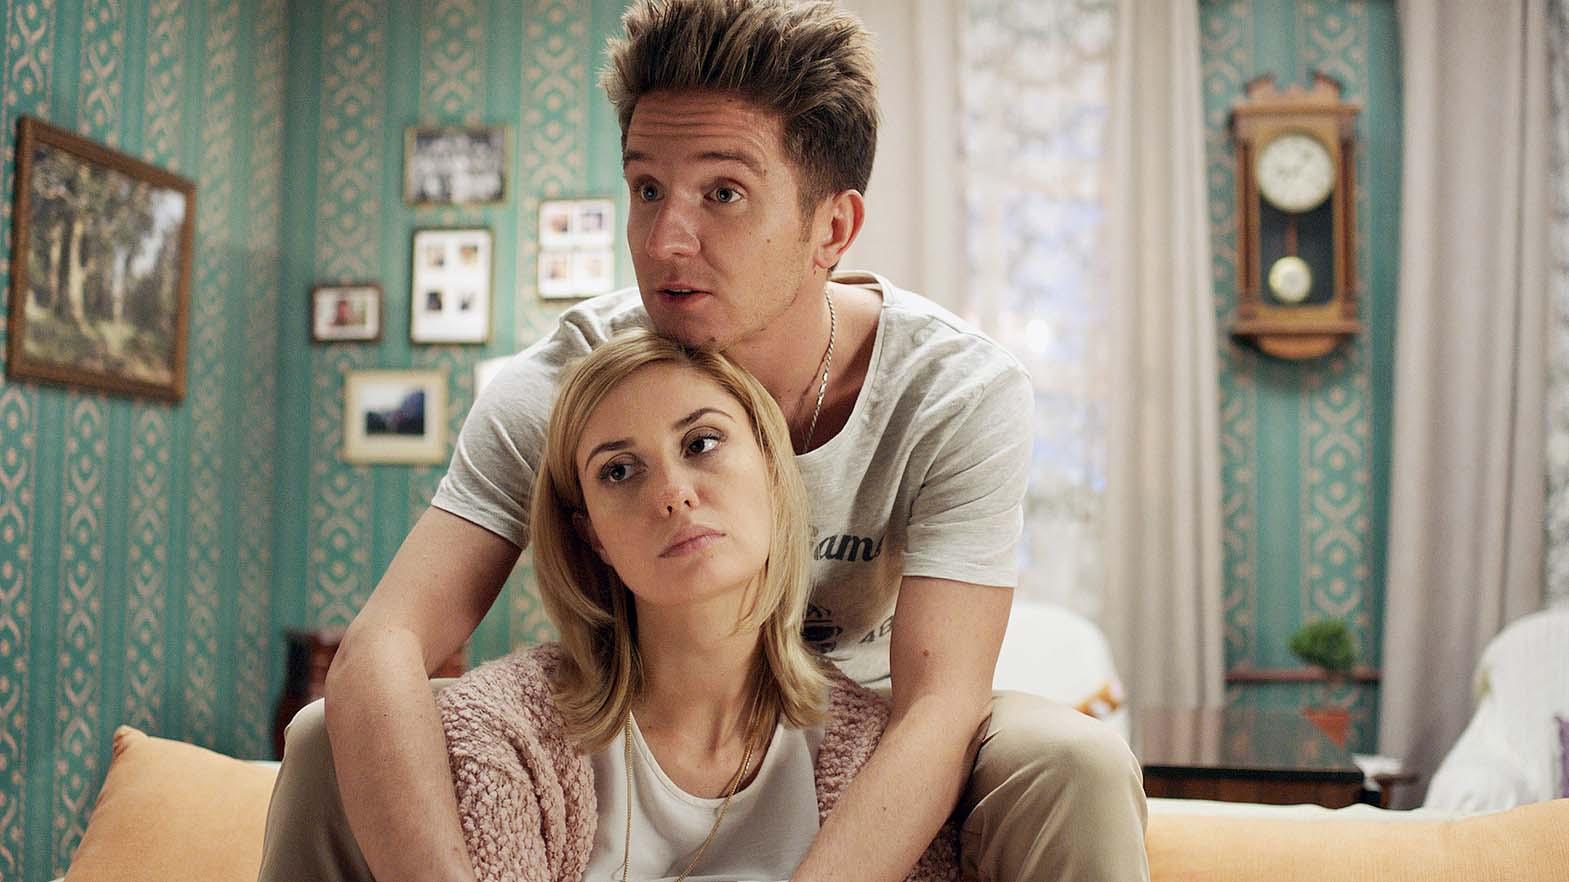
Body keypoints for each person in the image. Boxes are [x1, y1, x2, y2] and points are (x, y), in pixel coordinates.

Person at [259, 2, 1148, 881]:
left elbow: (940, 705)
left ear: (832, 229)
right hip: (639, 711)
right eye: (647, 189)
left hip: (866, 730)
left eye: (722, 194)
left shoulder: (957, 391)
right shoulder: (565, 386)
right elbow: (385, 641)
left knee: (1073, 762)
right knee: (328, 734)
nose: (664, 240)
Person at [435, 329, 960, 880]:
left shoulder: (879, 761)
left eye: (701, 443)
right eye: (619, 470)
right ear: (592, 536)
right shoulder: (506, 733)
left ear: (771, 469)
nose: (673, 493)